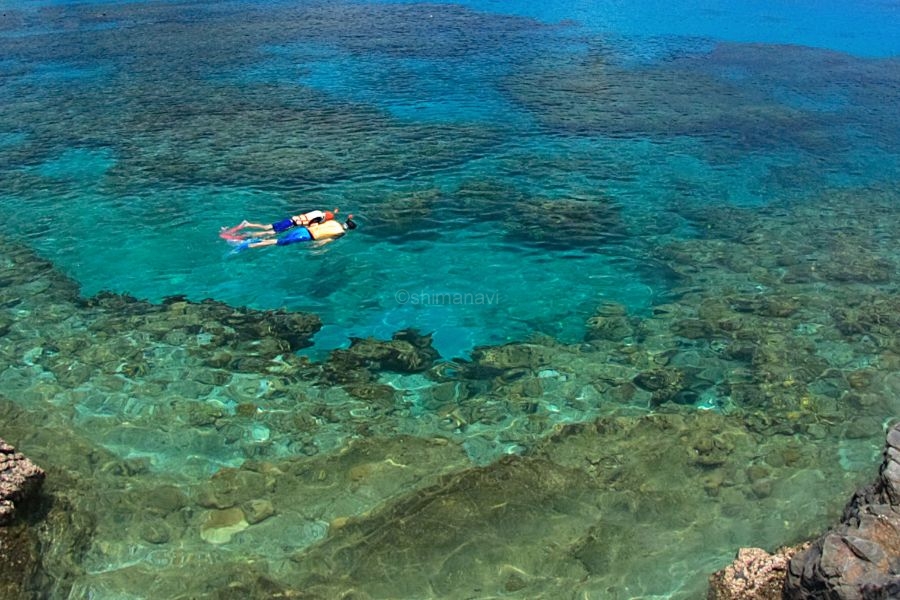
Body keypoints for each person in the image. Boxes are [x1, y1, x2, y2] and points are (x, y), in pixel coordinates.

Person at [231, 215, 357, 252]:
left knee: (279, 238)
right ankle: (248, 245)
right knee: (278, 242)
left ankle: (247, 240)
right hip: (306, 236)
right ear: (349, 229)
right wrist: (318, 249)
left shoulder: (334, 222)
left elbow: (316, 225)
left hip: (303, 230)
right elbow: (327, 240)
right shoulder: (341, 233)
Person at [220, 208, 338, 240]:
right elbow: (311, 226)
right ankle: (247, 234)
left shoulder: (317, 212)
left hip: (289, 220)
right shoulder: (318, 219)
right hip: (289, 225)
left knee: (267, 226)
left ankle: (247, 224)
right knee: (269, 233)